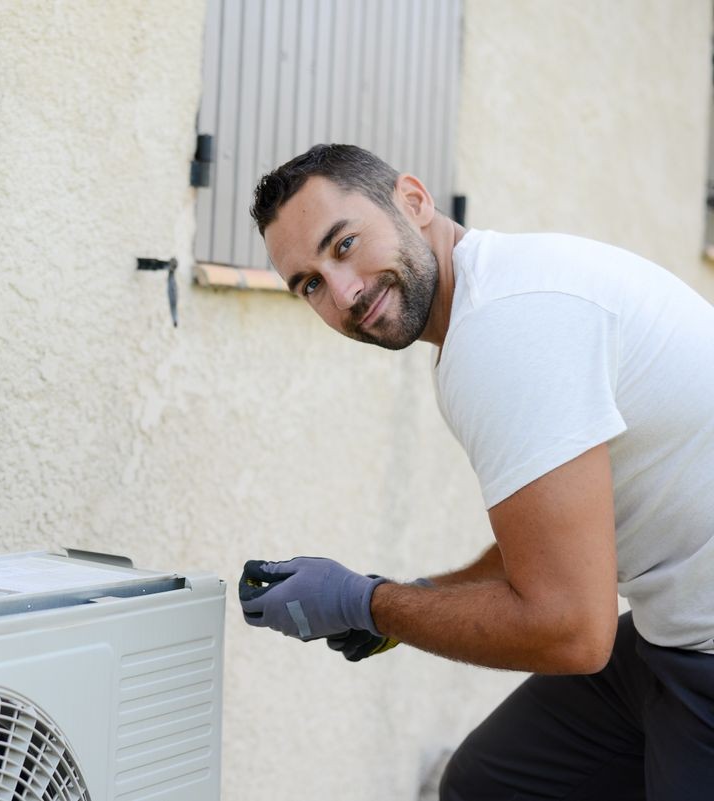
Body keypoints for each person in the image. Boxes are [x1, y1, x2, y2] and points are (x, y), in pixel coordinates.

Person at [238, 143, 714, 800]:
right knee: (489, 782)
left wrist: (368, 603)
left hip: (703, 654)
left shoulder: (503, 331)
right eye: (310, 284)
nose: (343, 293)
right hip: (677, 633)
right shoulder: (496, 295)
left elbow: (571, 629)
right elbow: (551, 539)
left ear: (413, 199)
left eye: (344, 245)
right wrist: (410, 597)